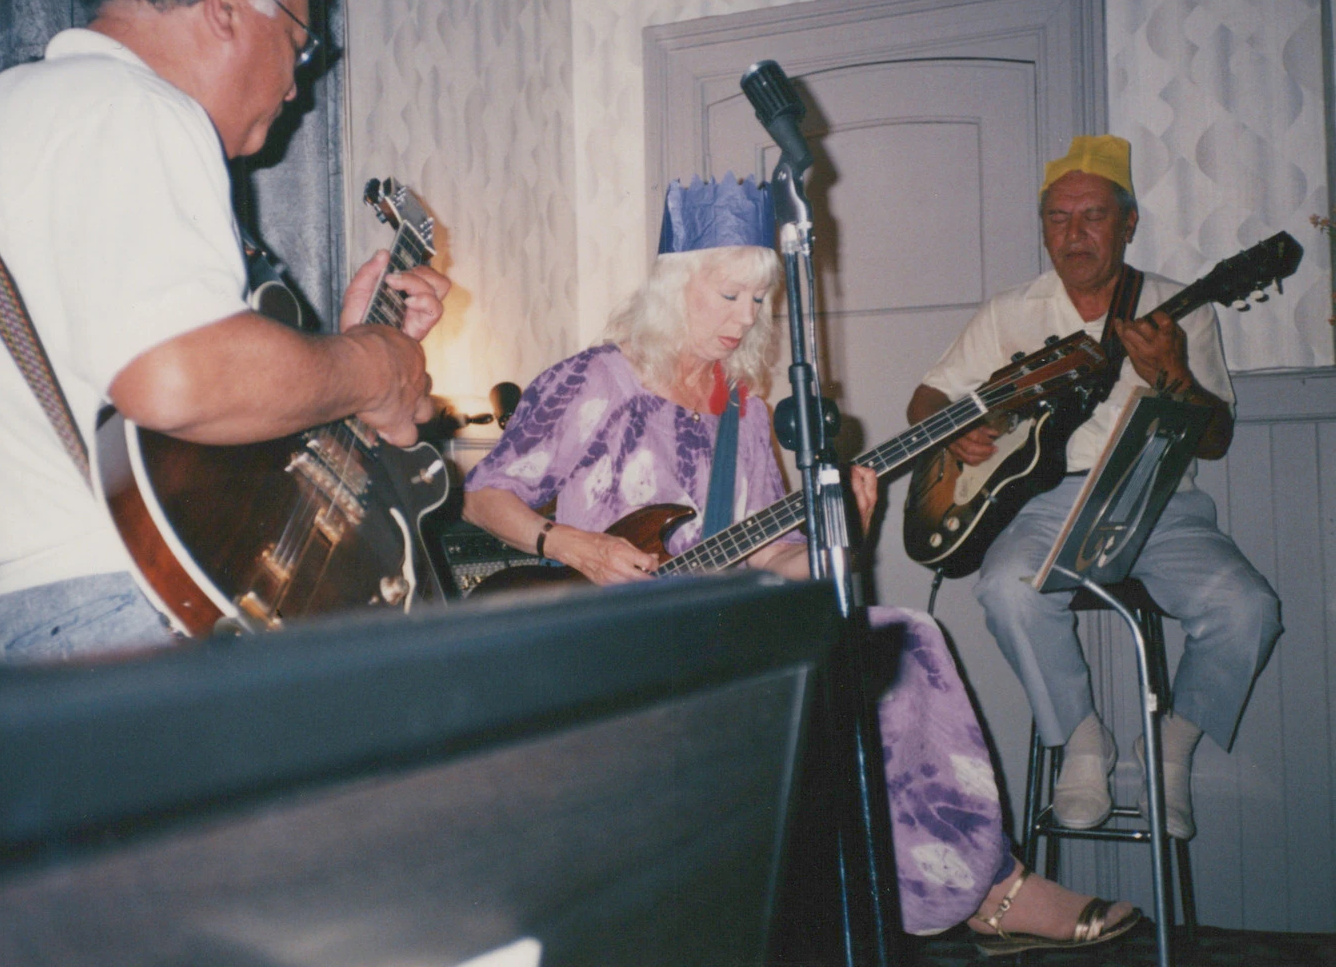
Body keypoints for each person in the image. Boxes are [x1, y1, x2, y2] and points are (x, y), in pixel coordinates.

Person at [464, 173, 1138, 950]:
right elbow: (486, 495)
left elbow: (765, 553)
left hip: (703, 642)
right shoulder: (597, 379)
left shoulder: (744, 404)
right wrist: (573, 543)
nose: (745, 318)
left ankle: (980, 886)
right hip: (596, 649)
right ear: (674, 288)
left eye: (758, 302)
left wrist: (833, 540)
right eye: (727, 297)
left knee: (901, 638)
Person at [0, 0, 449, 665]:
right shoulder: (130, 108)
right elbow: (180, 380)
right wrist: (370, 366)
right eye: (298, 43)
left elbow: (175, 402)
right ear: (227, 1)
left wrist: (351, 360)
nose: (296, 86)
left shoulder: (30, 113)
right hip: (129, 608)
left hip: (57, 612)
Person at [907, 135, 1282, 841]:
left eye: (1093, 216)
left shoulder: (1177, 307)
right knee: (1003, 587)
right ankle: (1081, 741)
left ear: (1128, 223)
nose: (1073, 233)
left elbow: (1215, 441)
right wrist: (949, 431)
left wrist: (1171, 369)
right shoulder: (1009, 310)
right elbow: (926, 396)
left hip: (1160, 501)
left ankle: (1168, 753)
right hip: (1047, 504)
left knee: (1248, 607)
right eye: (1058, 217)